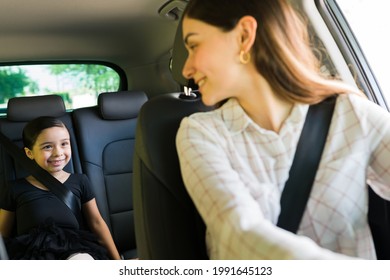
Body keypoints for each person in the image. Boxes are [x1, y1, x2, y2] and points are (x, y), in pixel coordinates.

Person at [176, 0, 390, 260]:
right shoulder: (200, 133)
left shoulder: (352, 114)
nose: (186, 69)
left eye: (194, 45)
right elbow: (242, 235)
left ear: (244, 36)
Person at [0, 116, 121, 260]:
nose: (58, 153)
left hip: (75, 251)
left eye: (64, 144)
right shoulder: (15, 189)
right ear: (29, 153)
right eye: (47, 147)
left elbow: (97, 223)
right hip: (34, 255)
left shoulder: (80, 181)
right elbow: (2, 235)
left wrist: (117, 262)